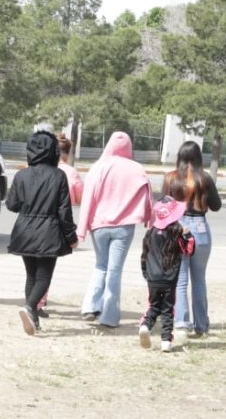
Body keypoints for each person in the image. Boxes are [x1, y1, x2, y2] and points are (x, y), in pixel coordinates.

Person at [77, 131, 152, 328]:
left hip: (99, 226)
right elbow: (147, 194)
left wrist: (81, 229)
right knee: (114, 270)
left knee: (100, 265)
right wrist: (148, 220)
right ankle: (109, 316)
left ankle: (89, 306)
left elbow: (88, 199)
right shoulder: (136, 168)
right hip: (124, 227)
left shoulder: (98, 167)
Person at [6, 129, 78, 335]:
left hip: (24, 230)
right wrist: (71, 237)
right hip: (48, 231)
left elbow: (11, 204)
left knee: (31, 276)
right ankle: (29, 307)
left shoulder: (21, 175)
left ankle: (33, 319)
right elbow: (64, 211)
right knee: (44, 276)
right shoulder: (58, 176)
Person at [165, 141, 221, 339]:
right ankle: (202, 325)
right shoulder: (204, 178)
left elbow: (164, 205)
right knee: (199, 280)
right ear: (198, 158)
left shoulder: (171, 178)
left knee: (180, 281)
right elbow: (216, 205)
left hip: (178, 227)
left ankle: (181, 323)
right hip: (200, 228)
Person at [34, 132, 83, 316]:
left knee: (34, 266)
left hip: (35, 220)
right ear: (68, 153)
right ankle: (38, 302)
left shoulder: (40, 168)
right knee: (47, 266)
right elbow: (78, 197)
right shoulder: (70, 172)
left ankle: (34, 302)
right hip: (56, 224)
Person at [138, 196, 195, 352]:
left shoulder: (150, 233)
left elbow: (144, 256)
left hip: (153, 278)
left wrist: (146, 273)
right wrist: (188, 236)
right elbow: (189, 250)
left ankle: (145, 325)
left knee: (154, 307)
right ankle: (166, 341)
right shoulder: (176, 232)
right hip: (169, 279)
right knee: (168, 310)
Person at [57, 133, 84, 206]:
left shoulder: (44, 168)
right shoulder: (71, 172)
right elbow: (80, 198)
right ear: (67, 153)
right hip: (63, 214)